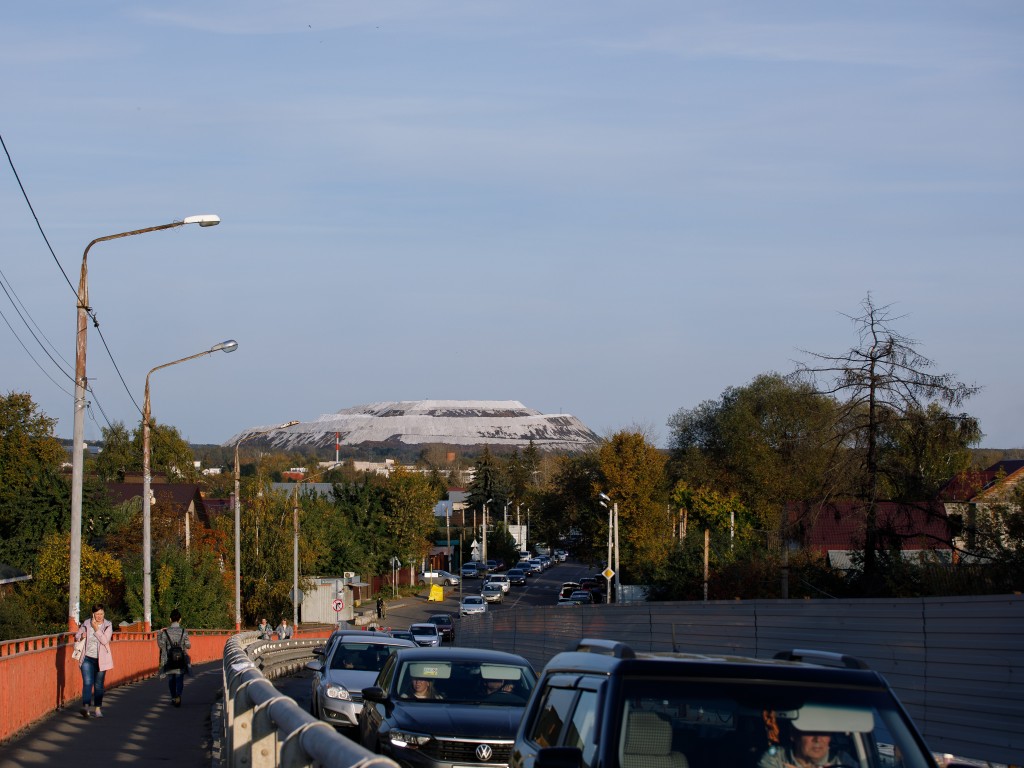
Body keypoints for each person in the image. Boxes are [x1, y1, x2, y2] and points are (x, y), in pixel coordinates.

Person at [74, 603, 113, 718]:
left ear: (104, 613)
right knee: (87, 682)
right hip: (87, 658)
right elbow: (77, 636)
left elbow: (105, 641)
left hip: (102, 660)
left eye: (101, 613)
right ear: (93, 614)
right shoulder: (86, 623)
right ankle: (86, 707)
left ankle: (97, 709)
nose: (99, 616)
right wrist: (82, 636)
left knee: (99, 685)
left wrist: (96, 629)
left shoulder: (108, 625)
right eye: (97, 614)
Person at [759, 729, 855, 768]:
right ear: (794, 735)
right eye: (810, 731)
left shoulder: (842, 760)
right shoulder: (776, 758)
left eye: (824, 732)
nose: (817, 739)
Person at [158, 609, 191, 707]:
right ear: (180, 620)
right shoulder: (184, 631)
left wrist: (159, 634)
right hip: (180, 660)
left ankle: (173, 697)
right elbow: (188, 645)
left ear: (170, 619)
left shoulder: (165, 632)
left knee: (171, 679)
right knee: (179, 679)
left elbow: (161, 645)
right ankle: (178, 696)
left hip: (169, 660)